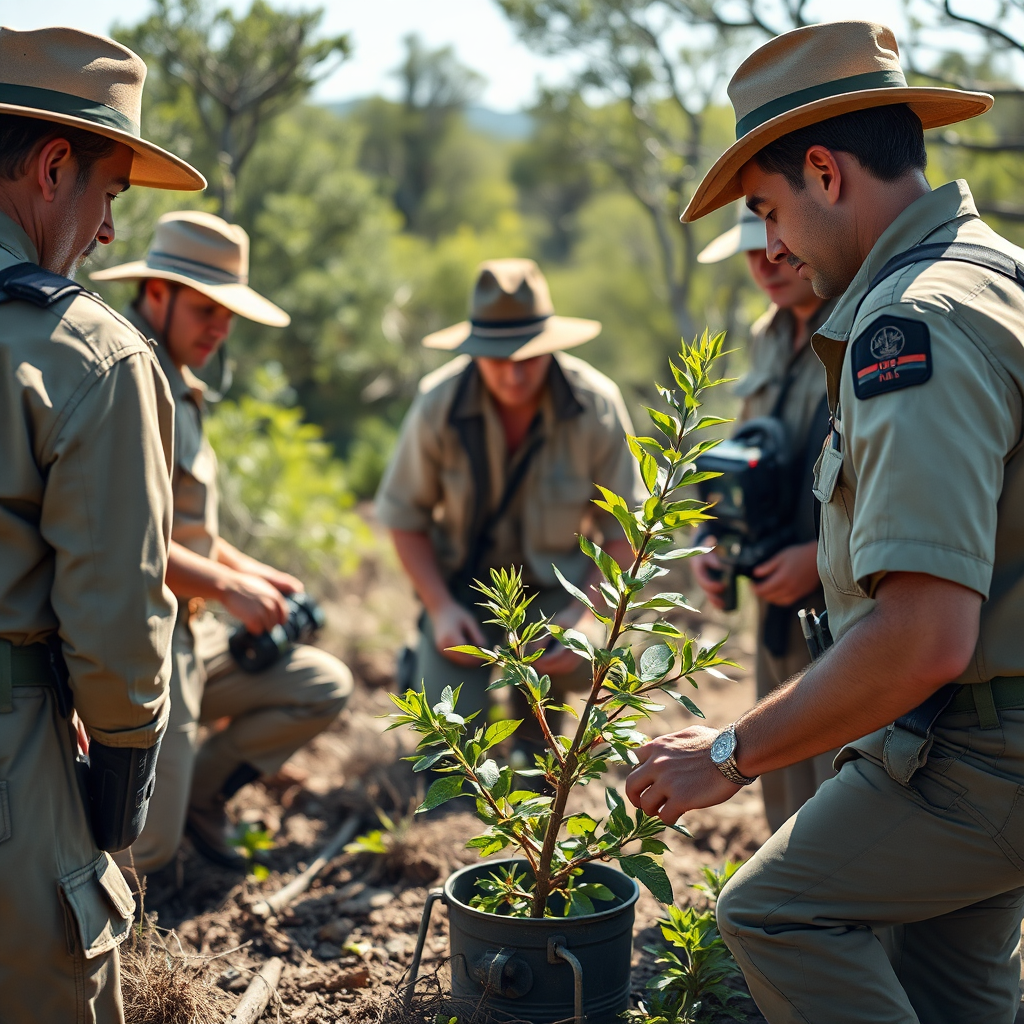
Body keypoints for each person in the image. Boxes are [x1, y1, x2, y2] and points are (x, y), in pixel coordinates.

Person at [624, 19, 1024, 1023]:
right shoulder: (996, 274)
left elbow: (925, 634)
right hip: (987, 743)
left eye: (766, 209)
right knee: (948, 992)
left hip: (974, 760)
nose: (773, 246)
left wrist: (725, 754)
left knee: (770, 913)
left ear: (824, 171)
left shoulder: (911, 324)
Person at [0, 26, 205, 1023]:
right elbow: (120, 630)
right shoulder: (89, 355)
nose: (110, 235)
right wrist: (115, 793)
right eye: (110, 196)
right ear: (51, 167)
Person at [90, 211, 353, 874]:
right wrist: (230, 587)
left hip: (194, 626)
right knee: (144, 848)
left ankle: (199, 798)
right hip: (142, 633)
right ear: (156, 293)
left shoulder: (182, 382)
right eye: (206, 307)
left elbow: (186, 527)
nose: (220, 328)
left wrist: (255, 573)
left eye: (228, 313)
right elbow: (124, 538)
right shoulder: (124, 377)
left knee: (321, 685)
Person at [376, 259, 641, 753]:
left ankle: (539, 728)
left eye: (529, 356)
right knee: (453, 746)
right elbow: (403, 518)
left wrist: (585, 619)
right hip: (464, 595)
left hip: (558, 596)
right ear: (474, 350)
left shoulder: (596, 404)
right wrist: (440, 608)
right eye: (498, 357)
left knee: (571, 690)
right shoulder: (439, 402)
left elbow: (625, 533)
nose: (515, 373)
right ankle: (424, 660)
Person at [693, 205, 836, 831]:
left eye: (772, 245)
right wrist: (711, 537)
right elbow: (748, 455)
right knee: (776, 760)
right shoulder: (767, 335)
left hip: (845, 597)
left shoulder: (858, 324)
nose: (765, 262)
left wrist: (818, 557)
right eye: (749, 252)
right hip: (776, 595)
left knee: (840, 775)